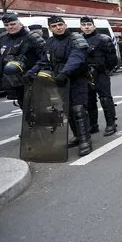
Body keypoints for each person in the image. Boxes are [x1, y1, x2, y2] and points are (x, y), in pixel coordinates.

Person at [27, 16, 92, 156]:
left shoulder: (76, 38)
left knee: (79, 109)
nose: (58, 27)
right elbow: (44, 61)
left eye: (60, 24)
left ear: (65, 25)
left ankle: (85, 140)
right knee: (67, 110)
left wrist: (64, 73)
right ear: (50, 28)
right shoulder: (49, 42)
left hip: (77, 79)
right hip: (60, 81)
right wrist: (31, 72)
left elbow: (77, 58)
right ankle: (77, 136)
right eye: (55, 26)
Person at [0, 13, 45, 109]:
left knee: (41, 111)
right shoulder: (2, 39)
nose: (10, 27)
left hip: (33, 81)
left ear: (19, 23)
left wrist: (33, 72)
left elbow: (45, 57)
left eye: (13, 24)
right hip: (14, 83)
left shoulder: (32, 37)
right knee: (26, 112)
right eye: (6, 25)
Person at [80, 16, 118, 137]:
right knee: (89, 100)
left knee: (105, 99)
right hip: (85, 74)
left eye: (89, 24)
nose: (86, 27)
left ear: (94, 26)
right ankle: (93, 125)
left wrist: (104, 69)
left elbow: (113, 59)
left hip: (101, 73)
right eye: (84, 25)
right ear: (80, 27)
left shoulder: (103, 39)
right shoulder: (78, 40)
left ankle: (111, 124)